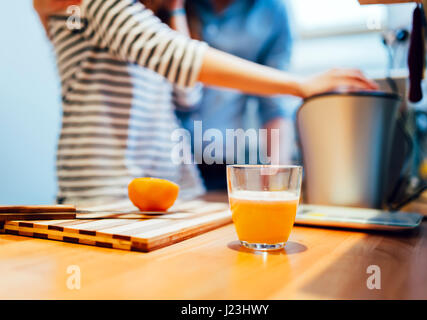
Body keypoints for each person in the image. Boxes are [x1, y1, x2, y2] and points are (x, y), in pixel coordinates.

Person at [33, 0, 377, 206]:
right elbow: (177, 56)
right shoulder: (102, 5)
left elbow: (187, 91)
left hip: (169, 190)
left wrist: (175, 8)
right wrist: (298, 84)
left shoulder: (151, 15)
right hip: (103, 190)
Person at [178, 0, 296, 190]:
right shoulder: (170, 6)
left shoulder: (272, 10)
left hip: (220, 158)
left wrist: (277, 172)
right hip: (162, 156)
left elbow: (274, 105)